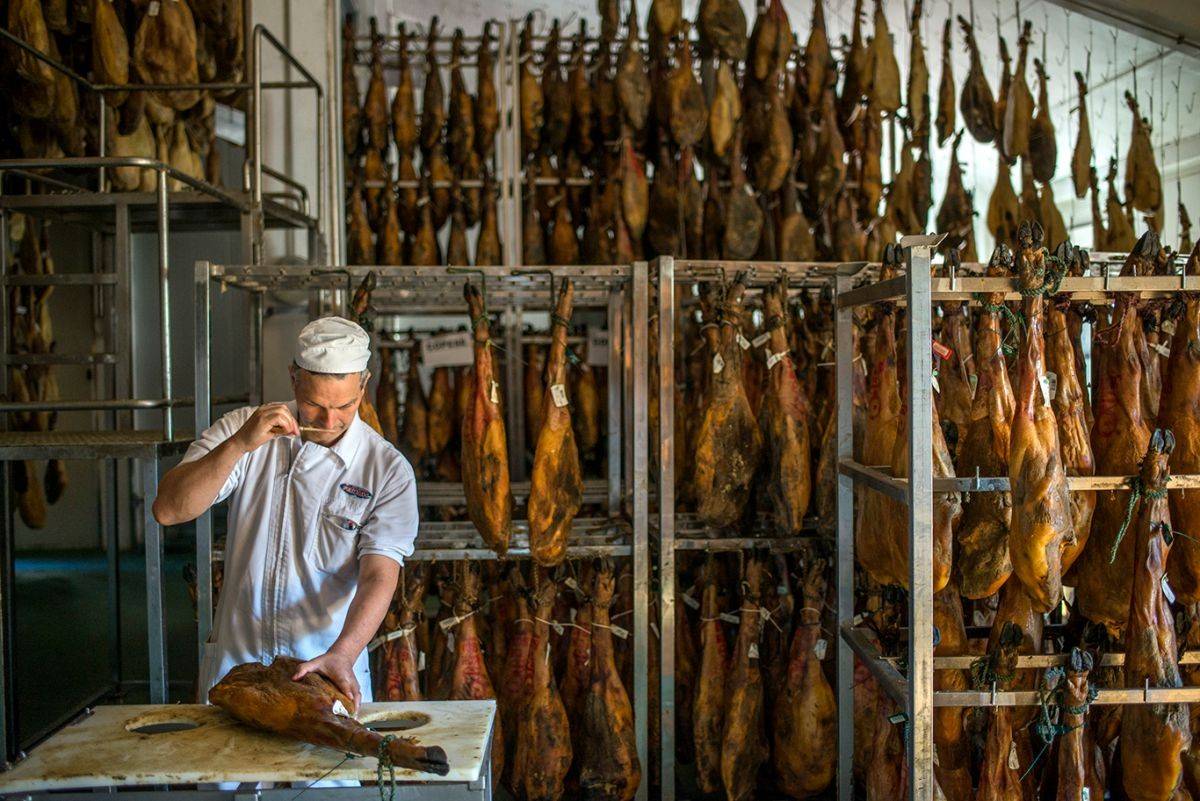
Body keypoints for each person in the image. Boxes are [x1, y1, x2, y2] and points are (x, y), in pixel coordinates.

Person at [154, 316, 417, 711]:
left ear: (364, 384)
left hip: (325, 665)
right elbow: (170, 510)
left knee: (324, 769)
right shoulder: (243, 428)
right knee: (230, 767)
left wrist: (343, 653)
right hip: (238, 663)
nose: (329, 421)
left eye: (344, 405)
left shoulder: (386, 469)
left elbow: (380, 573)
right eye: (314, 405)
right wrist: (240, 445)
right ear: (293, 378)